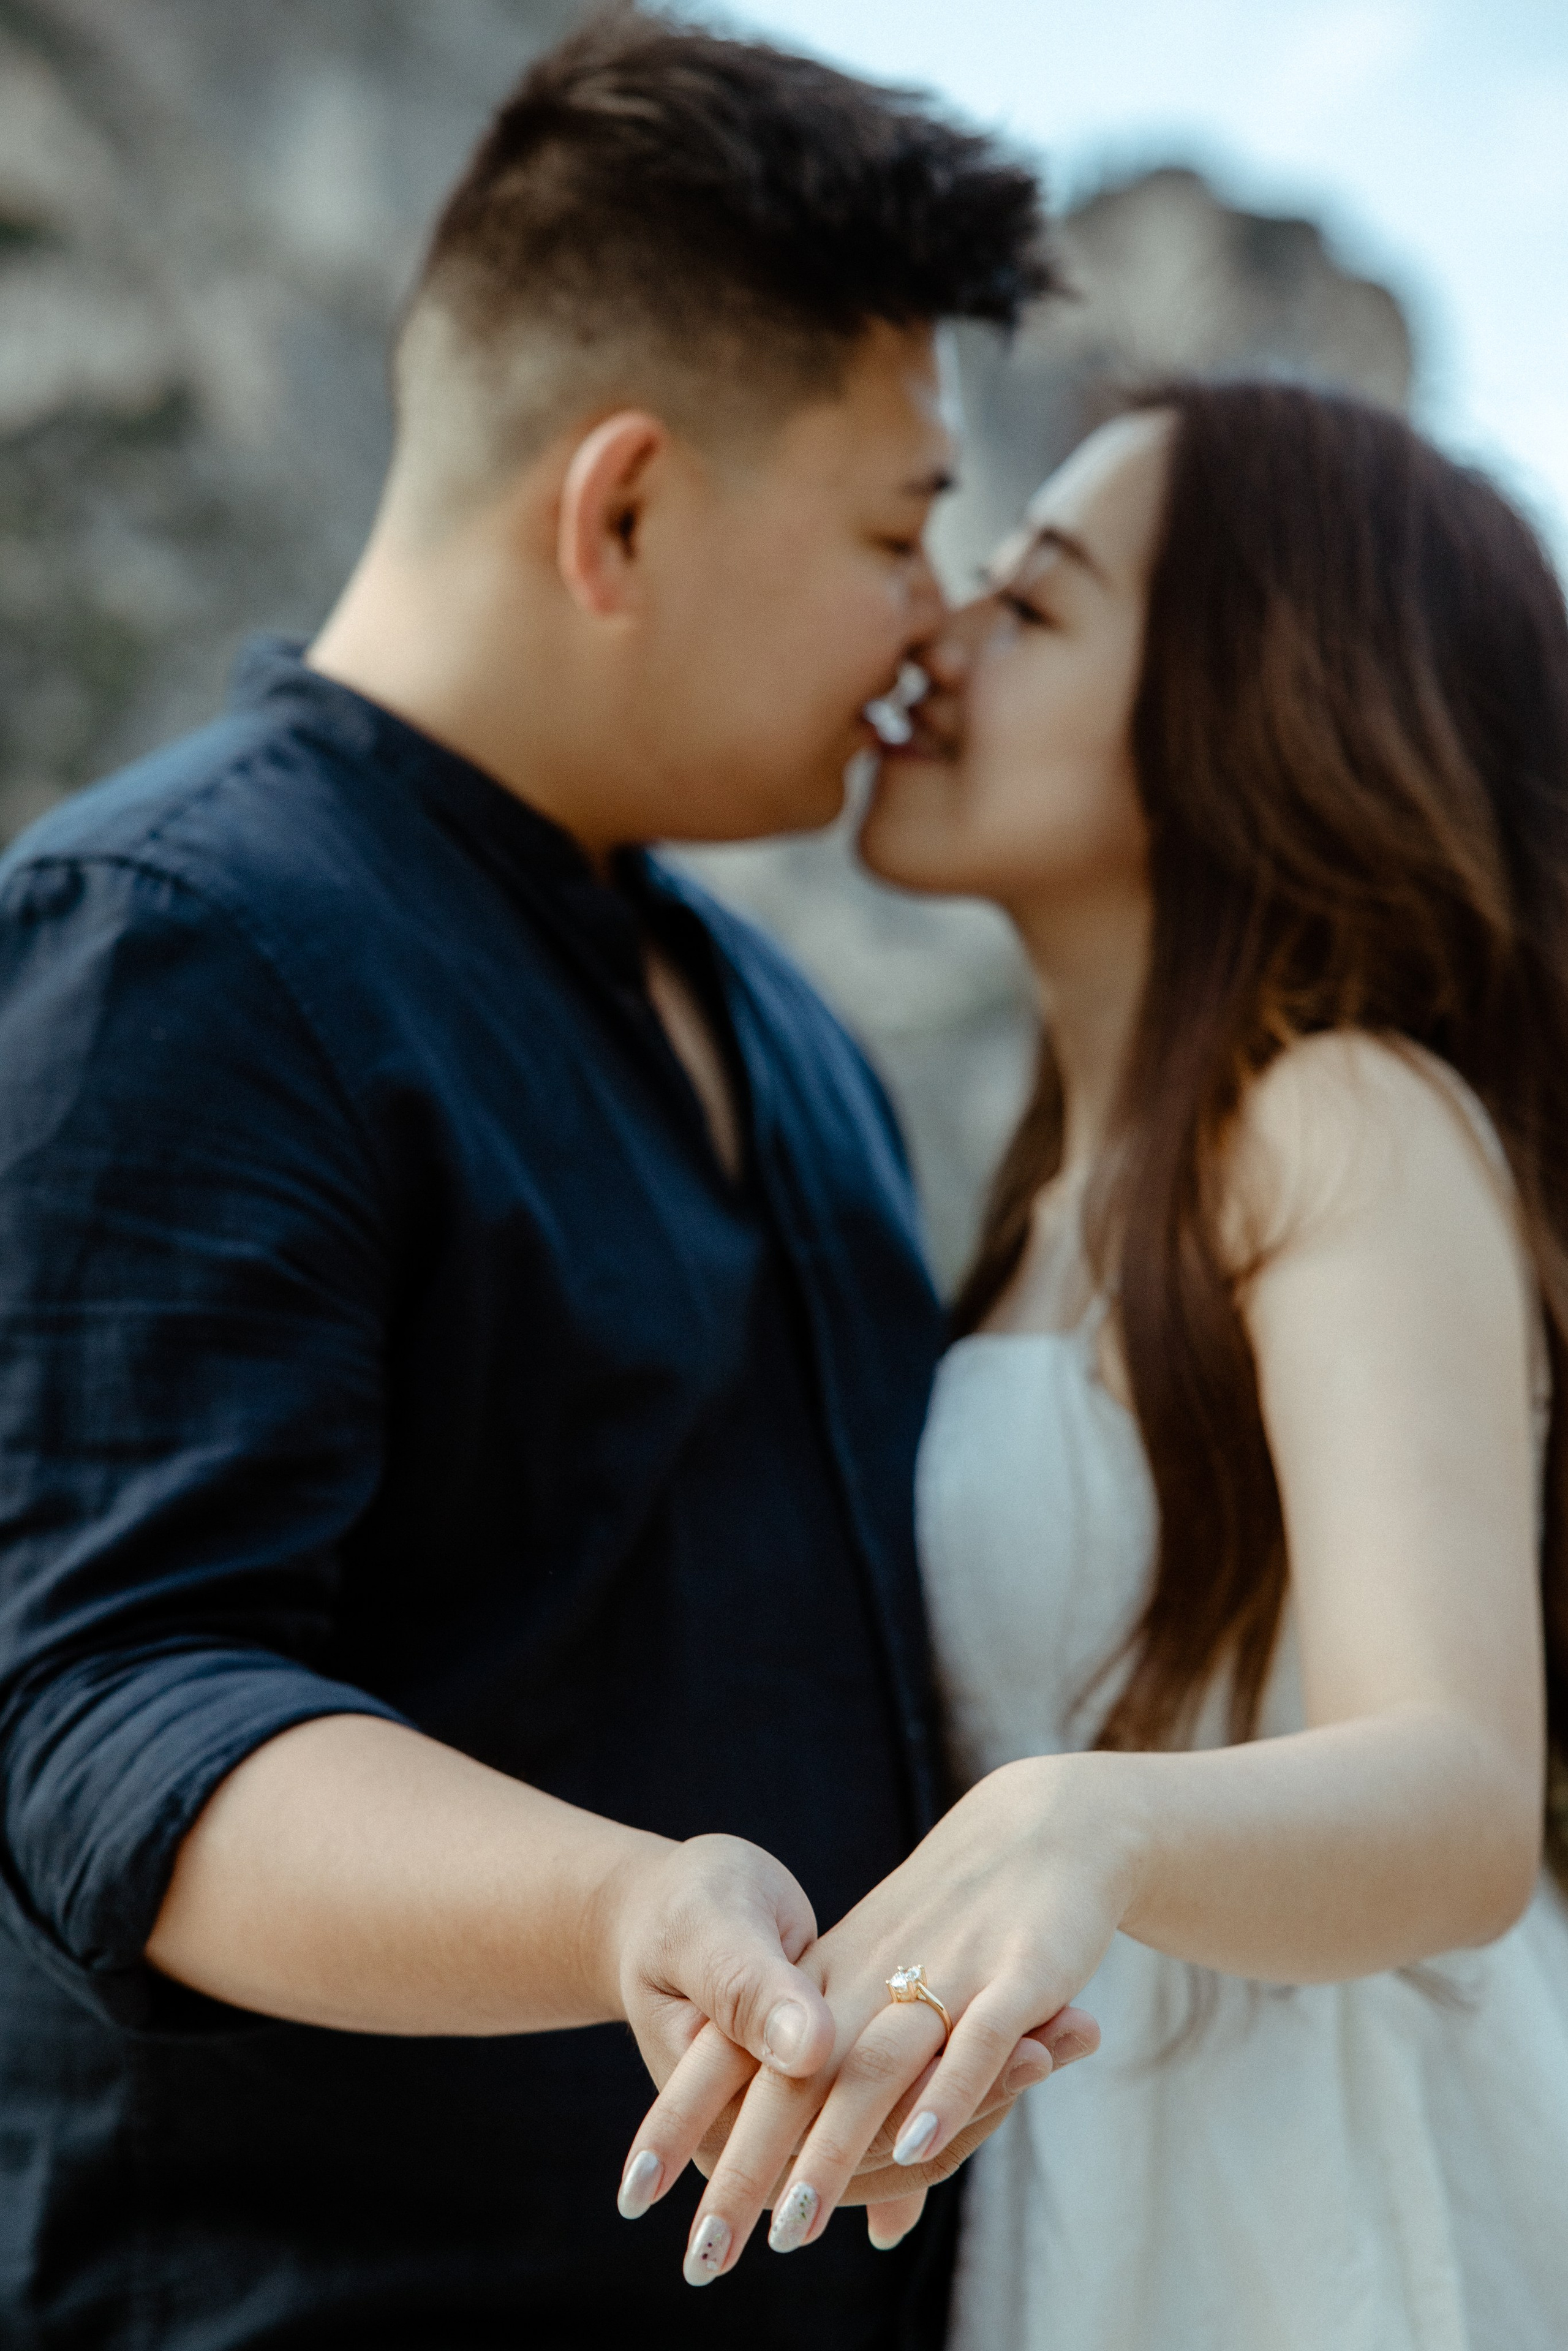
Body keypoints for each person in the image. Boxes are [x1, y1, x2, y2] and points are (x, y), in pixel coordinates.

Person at [0, 20, 1095, 2349]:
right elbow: (109, 1700)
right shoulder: (176, 941)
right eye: (894, 531)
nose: (935, 616)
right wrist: (625, 1907)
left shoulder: (789, 1026)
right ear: (621, 513)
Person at [624, 380, 1568, 2347]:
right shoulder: (1065, 1190)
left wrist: (1086, 1822)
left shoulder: (1334, 1115)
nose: (940, 630)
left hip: (1342, 2191)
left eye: (1037, 603)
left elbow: (1466, 1794)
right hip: (1101, 2177)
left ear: (1257, 708)